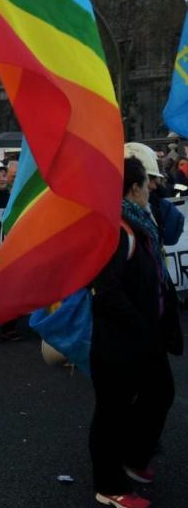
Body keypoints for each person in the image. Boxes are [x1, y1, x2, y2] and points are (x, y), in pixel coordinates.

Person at [88, 157, 182, 508]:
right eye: (146, 185)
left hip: (145, 340)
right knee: (111, 411)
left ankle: (133, 457)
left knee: (161, 391)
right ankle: (109, 485)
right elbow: (107, 291)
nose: (151, 189)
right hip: (120, 344)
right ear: (133, 189)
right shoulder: (117, 230)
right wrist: (142, 328)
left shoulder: (140, 223)